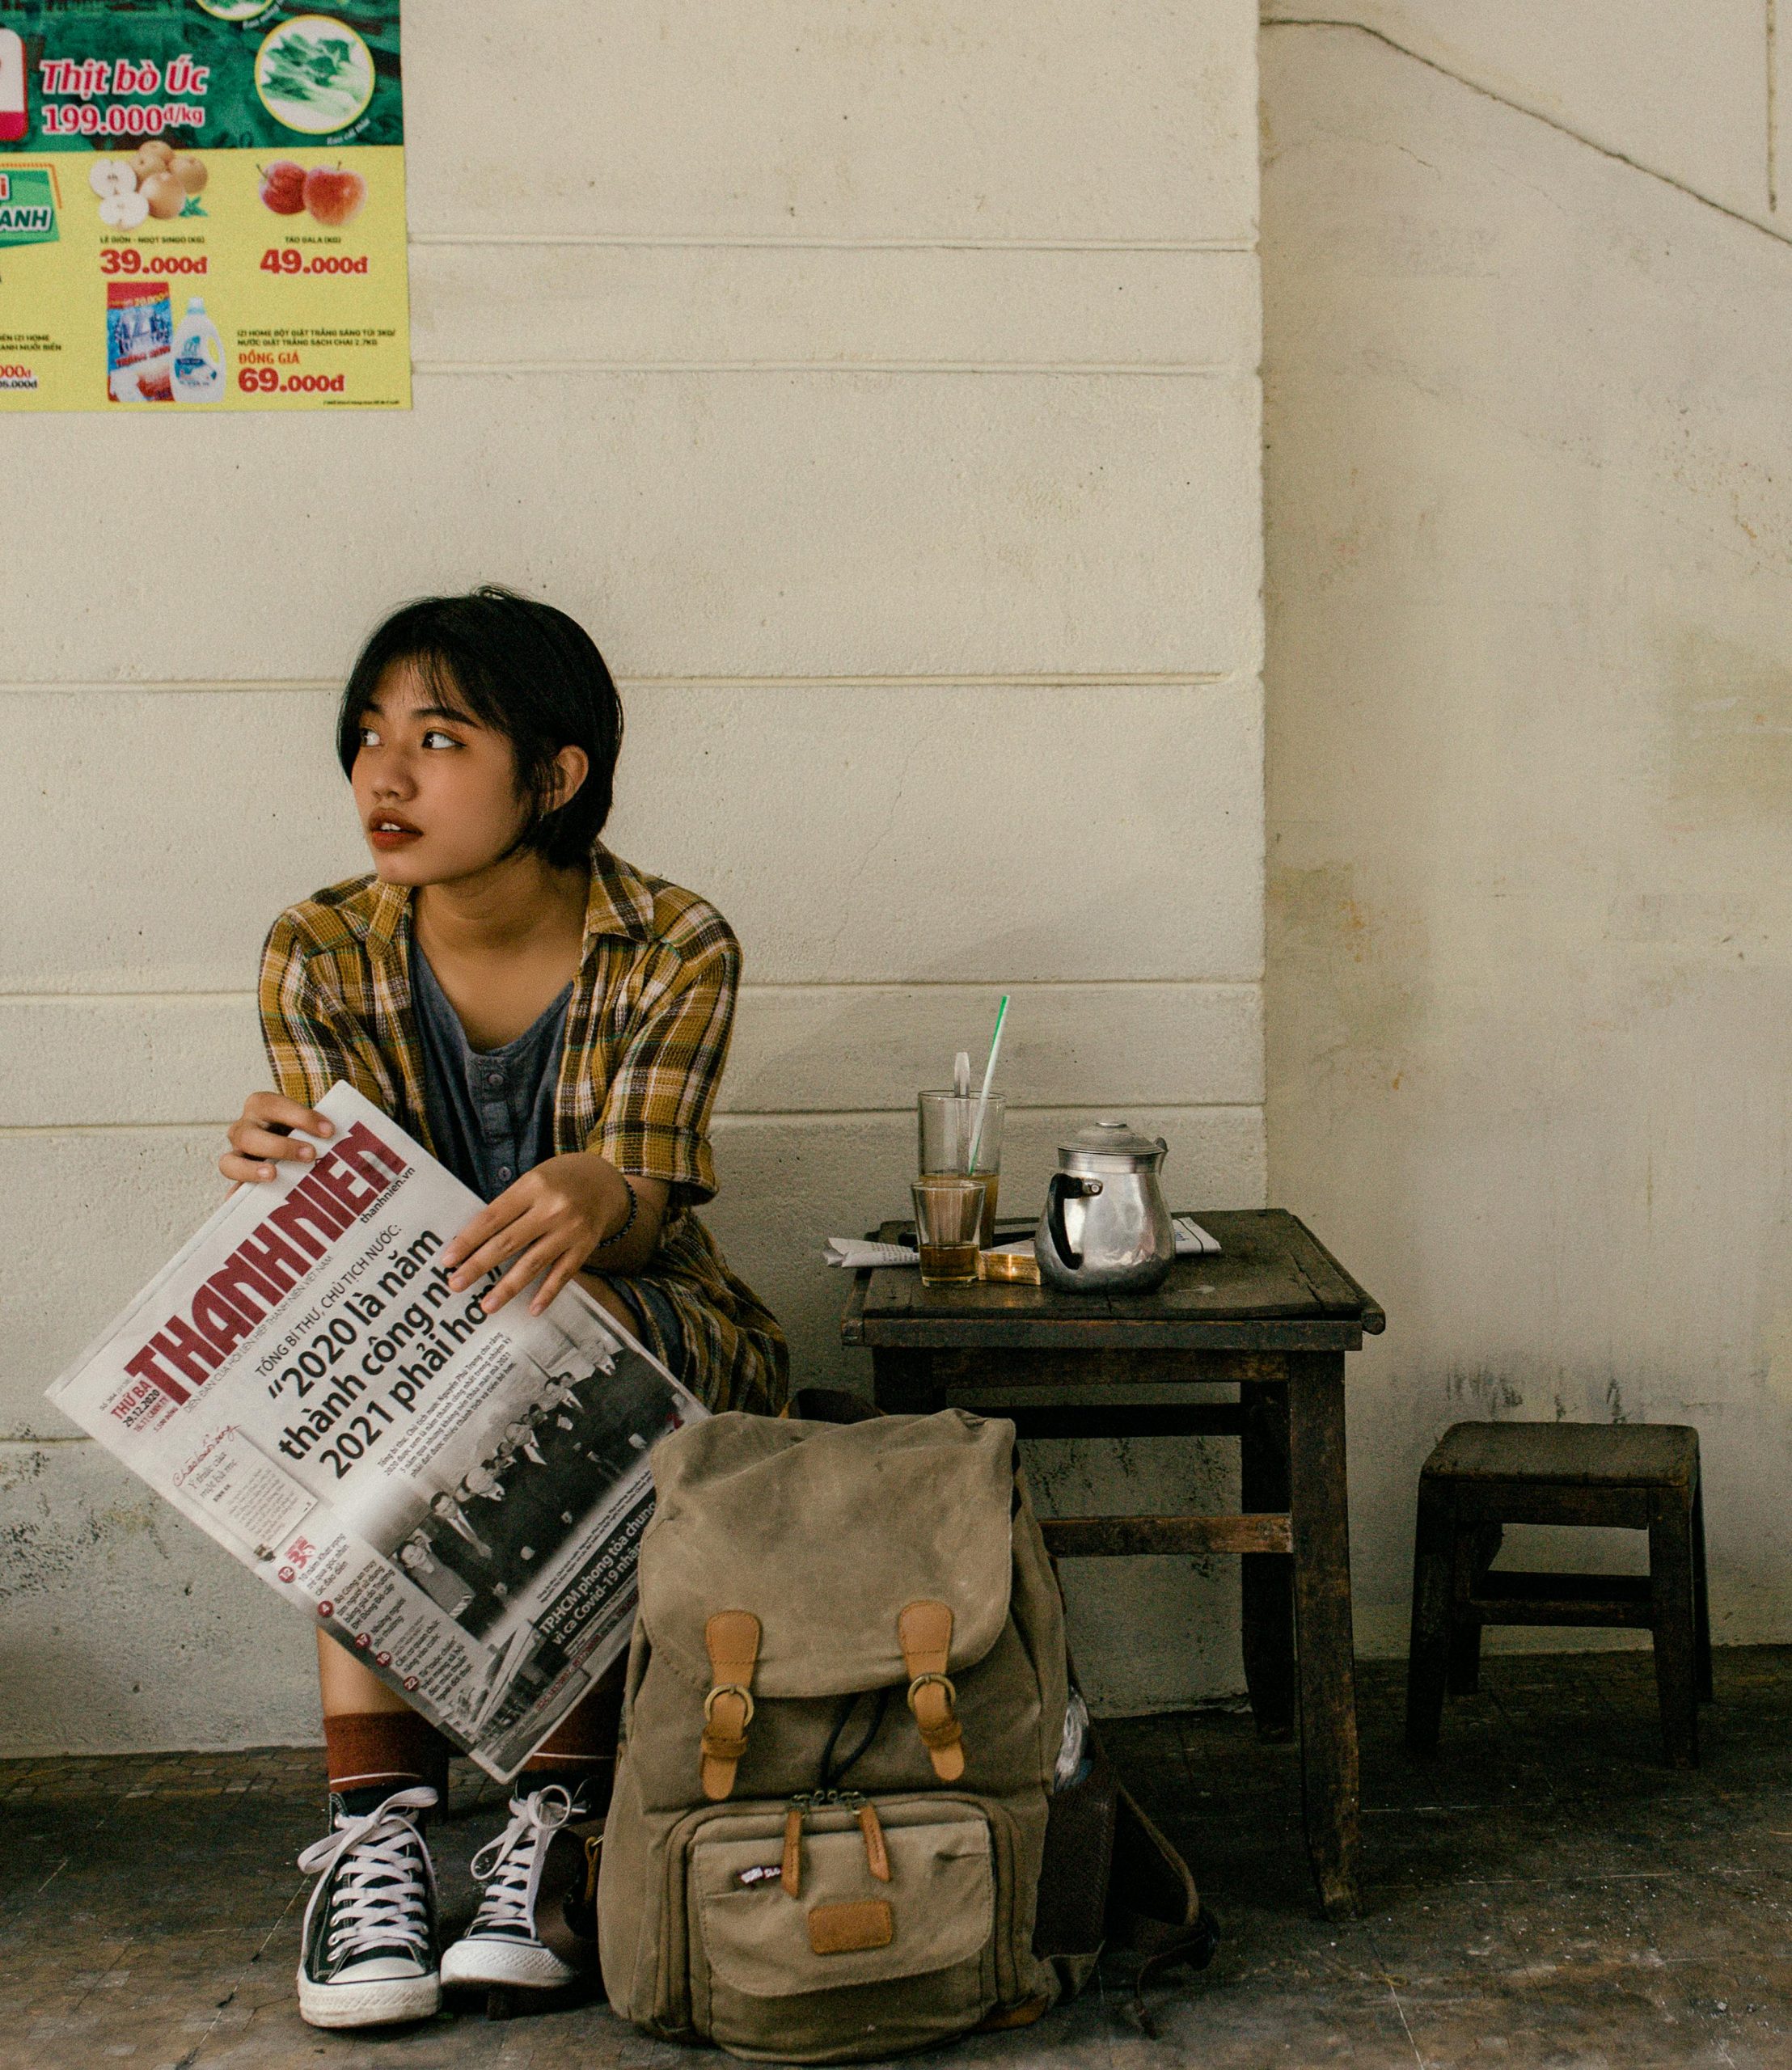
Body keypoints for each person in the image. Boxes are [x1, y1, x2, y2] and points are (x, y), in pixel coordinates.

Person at [219, 586, 788, 2030]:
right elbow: (350, 1255)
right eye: (367, 738)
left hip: (656, 1326)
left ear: (555, 774)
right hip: (425, 1343)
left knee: (539, 1345)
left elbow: (656, 1209)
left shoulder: (672, 941)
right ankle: (380, 1836)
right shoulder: (320, 948)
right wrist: (270, 1178)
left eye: (440, 737)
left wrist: (611, 1190)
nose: (384, 779)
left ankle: (557, 1823)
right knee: (365, 1376)